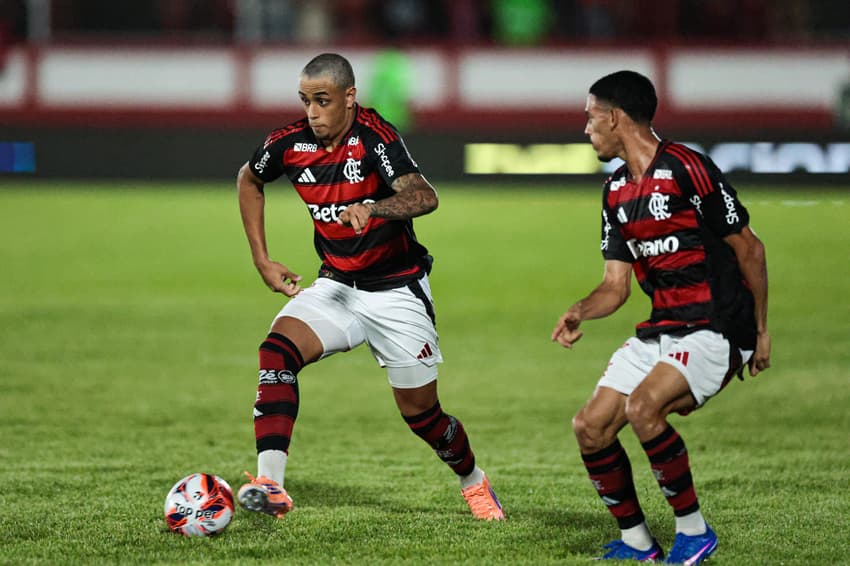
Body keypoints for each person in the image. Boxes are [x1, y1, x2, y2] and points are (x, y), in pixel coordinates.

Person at [235, 52, 504, 521]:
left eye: (322, 100)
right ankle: (270, 484)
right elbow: (249, 178)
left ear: (350, 97)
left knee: (423, 416)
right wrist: (262, 258)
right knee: (277, 353)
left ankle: (473, 481)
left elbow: (424, 195)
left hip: (397, 291)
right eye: (305, 101)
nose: (312, 112)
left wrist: (373, 208)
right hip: (337, 286)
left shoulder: (375, 136)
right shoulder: (287, 143)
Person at [551, 70, 770, 563]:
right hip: (664, 328)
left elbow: (750, 249)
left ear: (614, 117)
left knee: (643, 408)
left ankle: (695, 533)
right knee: (590, 426)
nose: (586, 128)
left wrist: (759, 332)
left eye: (591, 118)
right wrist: (580, 310)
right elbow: (616, 286)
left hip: (716, 325)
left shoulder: (688, 168)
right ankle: (638, 543)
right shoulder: (614, 191)